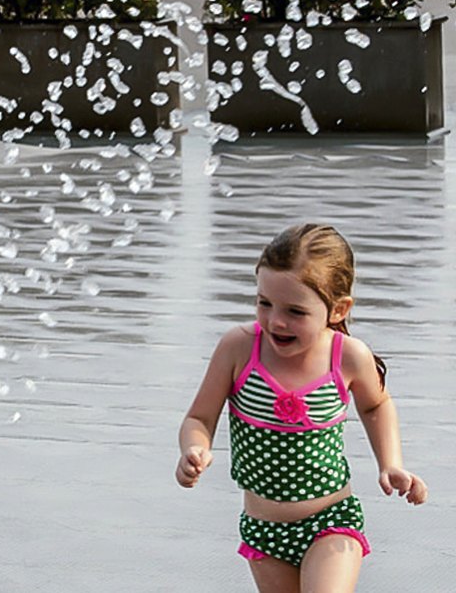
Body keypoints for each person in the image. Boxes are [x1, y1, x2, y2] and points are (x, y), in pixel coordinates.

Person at [176, 223, 427, 592]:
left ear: (338, 309)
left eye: (295, 311)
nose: (276, 320)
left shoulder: (347, 357)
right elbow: (200, 417)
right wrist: (194, 448)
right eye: (265, 303)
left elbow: (376, 406)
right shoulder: (239, 349)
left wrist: (390, 463)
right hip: (265, 532)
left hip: (330, 520)